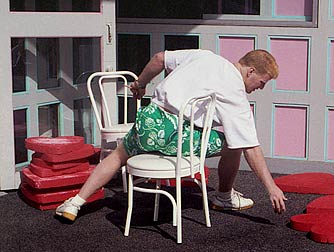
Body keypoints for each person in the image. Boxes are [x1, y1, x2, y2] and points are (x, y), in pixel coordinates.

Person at [55, 49, 287, 222]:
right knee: (233, 144)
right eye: (262, 82)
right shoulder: (235, 92)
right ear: (251, 71)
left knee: (117, 156)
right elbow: (251, 147)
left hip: (150, 122)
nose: (261, 88)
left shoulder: (204, 56)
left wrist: (140, 84)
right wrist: (271, 187)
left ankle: (75, 203)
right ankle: (223, 196)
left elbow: (158, 59)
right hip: (178, 139)